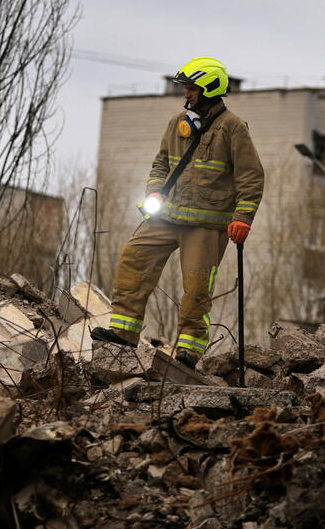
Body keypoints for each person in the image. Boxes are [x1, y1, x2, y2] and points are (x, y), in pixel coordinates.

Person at [91, 57, 264, 369]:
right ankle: (123, 331)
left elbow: (251, 177)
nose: (186, 94)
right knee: (134, 257)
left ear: (209, 89)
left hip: (207, 223)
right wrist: (154, 191)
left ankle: (188, 351)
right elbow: (160, 164)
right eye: (185, 88)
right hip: (167, 216)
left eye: (191, 89)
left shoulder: (233, 128)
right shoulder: (176, 124)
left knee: (197, 286)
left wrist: (243, 217)